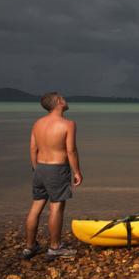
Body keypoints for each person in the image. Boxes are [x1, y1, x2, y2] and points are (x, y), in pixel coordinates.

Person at [22, 91, 83, 259]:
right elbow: (70, 150)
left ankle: (29, 246)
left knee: (36, 207)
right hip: (57, 169)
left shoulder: (38, 124)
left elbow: (33, 149)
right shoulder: (68, 124)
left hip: (40, 168)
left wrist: (36, 168)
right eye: (63, 98)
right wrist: (77, 171)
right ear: (58, 102)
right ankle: (55, 247)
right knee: (56, 207)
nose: (66, 100)